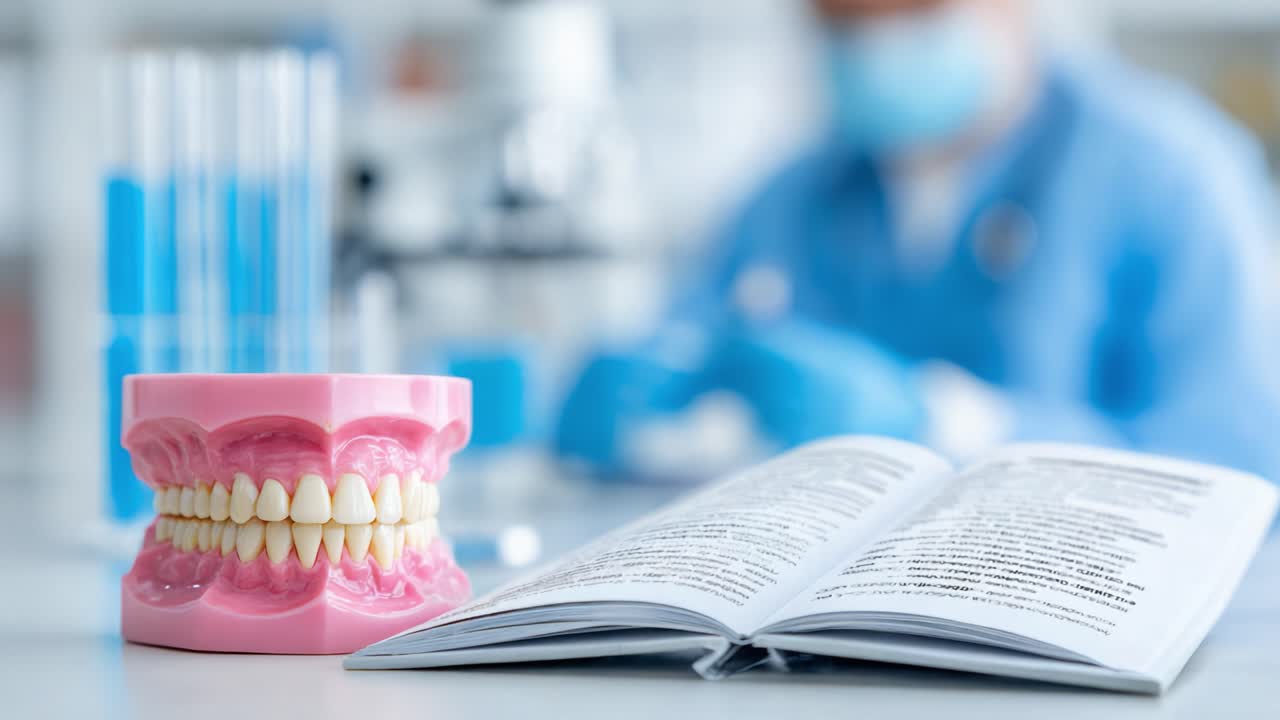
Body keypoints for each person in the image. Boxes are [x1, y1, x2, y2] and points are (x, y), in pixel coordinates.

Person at [555, 0, 1280, 482]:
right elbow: (693, 337)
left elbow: (1241, 465)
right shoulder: (794, 195)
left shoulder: (1171, 174)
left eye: (916, 8)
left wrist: (942, 421)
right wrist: (638, 404)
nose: (880, 38)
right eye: (846, 20)